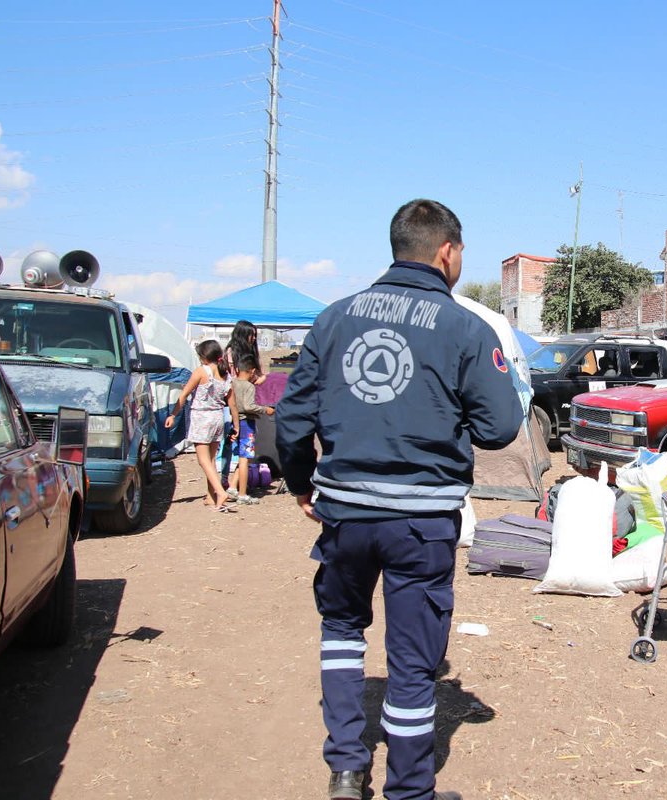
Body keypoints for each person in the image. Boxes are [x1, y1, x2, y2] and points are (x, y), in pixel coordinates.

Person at [277, 199, 522, 800]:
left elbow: (289, 418)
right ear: (447, 252)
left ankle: (345, 769)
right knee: (412, 660)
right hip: (420, 522)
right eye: (462, 252)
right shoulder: (466, 327)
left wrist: (302, 483)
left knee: (340, 628)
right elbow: (500, 427)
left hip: (344, 516)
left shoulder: (335, 319)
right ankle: (409, 790)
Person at [166, 340, 239, 512]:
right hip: (218, 418)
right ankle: (210, 495)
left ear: (204, 357)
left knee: (203, 460)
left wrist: (173, 415)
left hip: (202, 417)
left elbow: (184, 395)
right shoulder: (226, 375)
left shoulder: (201, 371)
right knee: (212, 459)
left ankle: (220, 492)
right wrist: (236, 426)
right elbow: (233, 405)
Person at [220, 320, 266, 489]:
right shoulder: (231, 353)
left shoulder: (247, 353)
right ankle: (227, 480)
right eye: (251, 334)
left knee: (239, 447)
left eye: (255, 335)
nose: (253, 338)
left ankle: (232, 482)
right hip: (230, 404)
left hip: (241, 403)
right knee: (231, 443)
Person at [227, 354, 274, 506]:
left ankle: (233, 487)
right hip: (246, 423)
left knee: (242, 457)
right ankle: (242, 495)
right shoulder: (249, 386)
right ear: (252, 371)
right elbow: (248, 406)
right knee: (245, 458)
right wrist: (264, 409)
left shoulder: (232, 383)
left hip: (236, 423)